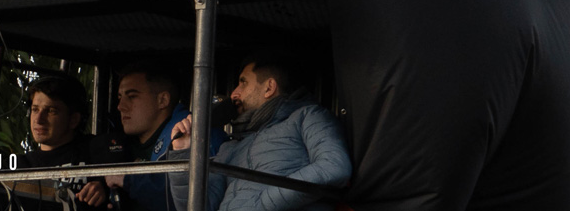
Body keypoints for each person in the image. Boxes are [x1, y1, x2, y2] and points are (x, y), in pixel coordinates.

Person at [165, 59, 350, 211]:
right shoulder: (230, 147)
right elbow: (199, 207)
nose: (234, 93)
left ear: (269, 88)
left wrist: (258, 205)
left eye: (243, 82)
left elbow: (334, 167)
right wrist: (184, 153)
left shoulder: (307, 116)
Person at [107, 62, 223, 211]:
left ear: (163, 100)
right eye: (120, 97)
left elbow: (192, 200)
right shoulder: (120, 146)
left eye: (132, 96)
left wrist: (127, 180)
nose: (120, 106)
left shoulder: (197, 136)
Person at [22, 73, 112, 208]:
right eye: (35, 110)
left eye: (51, 111)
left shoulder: (98, 149)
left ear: (74, 119)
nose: (38, 120)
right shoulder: (20, 165)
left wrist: (106, 188)